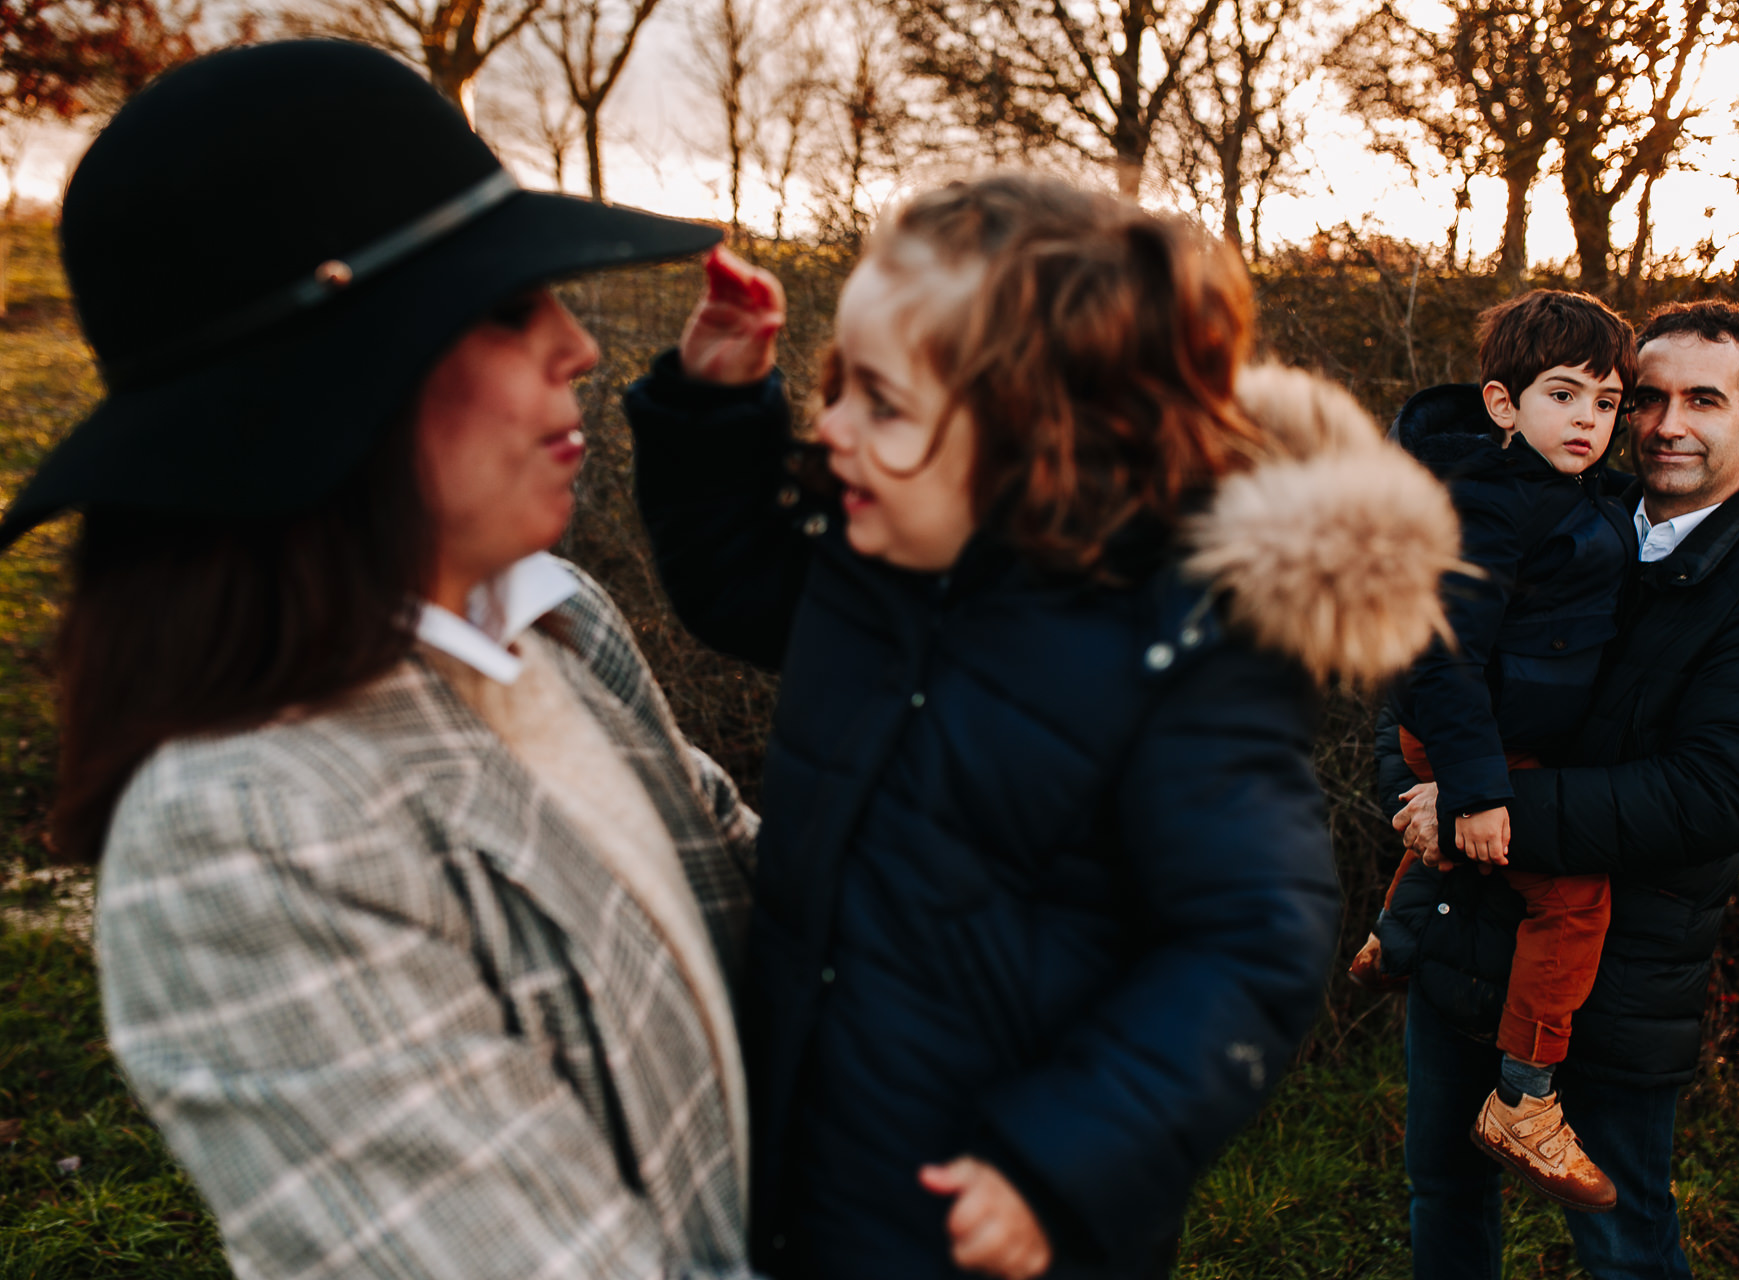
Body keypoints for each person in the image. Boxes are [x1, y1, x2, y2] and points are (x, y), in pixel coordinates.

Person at [3, 41, 764, 1278]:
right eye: (511, 306)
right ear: (332, 382)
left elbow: (793, 919)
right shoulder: (246, 835)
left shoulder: (551, 624)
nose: (579, 346)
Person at [623, 175, 1460, 1279]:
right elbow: (734, 585)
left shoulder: (1179, 650)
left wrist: (1058, 1160)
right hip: (811, 1143)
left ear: (1033, 432)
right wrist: (715, 408)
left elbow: (1249, 945)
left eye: (881, 400)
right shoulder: (877, 564)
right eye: (836, 384)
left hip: (999, 1212)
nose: (828, 426)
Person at [1382, 299, 1739, 1279]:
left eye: (1704, 399)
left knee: (1624, 1240)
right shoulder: (1565, 513)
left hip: (1624, 978)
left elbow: (1707, 796)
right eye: (1648, 396)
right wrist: (1419, 790)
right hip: (1467, 946)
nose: (1667, 422)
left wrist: (1474, 809)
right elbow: (1427, 666)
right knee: (1445, 1200)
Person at [1348, 290, 1638, 1212]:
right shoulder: (1488, 501)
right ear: (1503, 405)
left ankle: (1393, 940)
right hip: (1472, 736)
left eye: (1607, 401)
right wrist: (1473, 789)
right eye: (1564, 395)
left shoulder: (1563, 489)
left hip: (1490, 738)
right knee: (1574, 899)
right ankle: (1525, 1099)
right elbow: (1441, 650)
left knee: (1482, 857)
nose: (1589, 419)